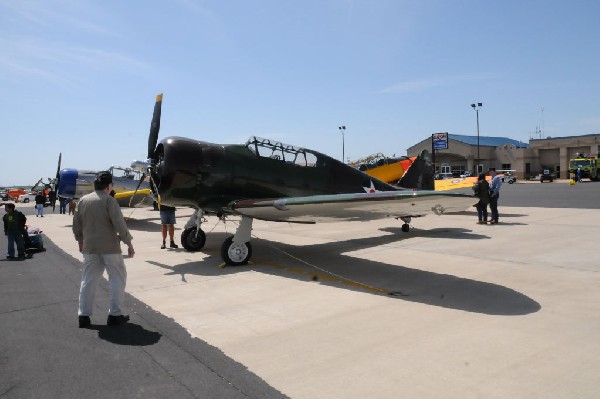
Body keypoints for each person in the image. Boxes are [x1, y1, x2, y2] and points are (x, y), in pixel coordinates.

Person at [72, 171, 135, 328]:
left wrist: (80, 240)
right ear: (109, 186)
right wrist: (128, 243)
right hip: (110, 248)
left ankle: (83, 316)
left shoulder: (83, 201)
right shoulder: (109, 201)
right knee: (117, 279)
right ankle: (115, 314)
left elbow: (76, 223)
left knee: (88, 281)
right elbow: (120, 224)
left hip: (90, 247)